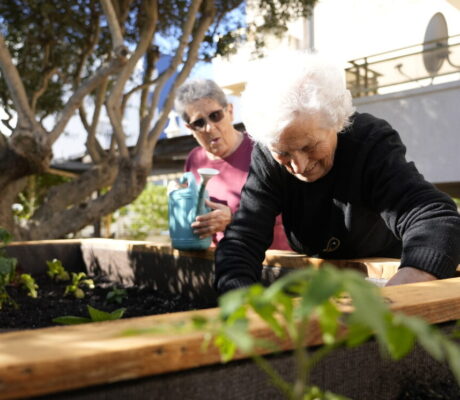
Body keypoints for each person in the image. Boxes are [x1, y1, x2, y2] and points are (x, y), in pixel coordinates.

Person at [214, 52, 460, 294]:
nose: (299, 166)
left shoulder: (369, 142)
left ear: (337, 121)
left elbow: (434, 218)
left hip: (385, 281)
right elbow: (243, 239)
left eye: (309, 147)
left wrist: (408, 283)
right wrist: (242, 303)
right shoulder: (268, 158)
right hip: (318, 282)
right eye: (284, 153)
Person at [174, 78, 291, 249]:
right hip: (221, 264)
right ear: (189, 129)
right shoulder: (194, 159)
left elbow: (290, 208)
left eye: (215, 116)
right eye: (199, 123)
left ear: (230, 111)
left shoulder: (263, 149)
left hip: (272, 263)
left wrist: (234, 218)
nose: (210, 128)